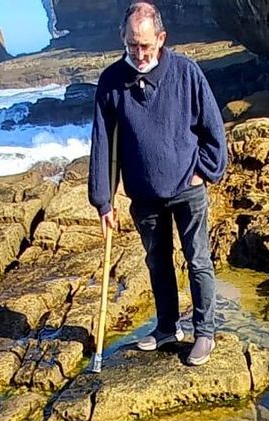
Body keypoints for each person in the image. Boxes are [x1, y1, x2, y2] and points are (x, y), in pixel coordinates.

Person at [88, 2, 227, 366]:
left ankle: (204, 333)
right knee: (157, 262)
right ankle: (167, 327)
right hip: (144, 194)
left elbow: (213, 130)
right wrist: (103, 200)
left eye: (145, 45)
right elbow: (102, 143)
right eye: (132, 45)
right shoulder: (111, 81)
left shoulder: (186, 72)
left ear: (161, 38)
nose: (139, 53)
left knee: (198, 260)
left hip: (188, 187)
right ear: (123, 39)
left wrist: (205, 171)